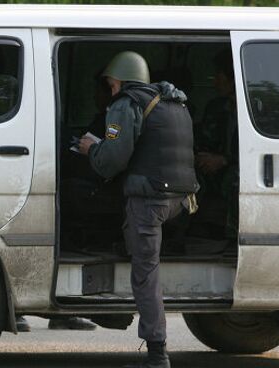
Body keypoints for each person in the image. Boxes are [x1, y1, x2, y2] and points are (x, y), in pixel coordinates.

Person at [78, 51, 199, 368]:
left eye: (111, 85)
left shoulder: (125, 103)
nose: (111, 91)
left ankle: (157, 355)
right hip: (182, 202)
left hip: (151, 203)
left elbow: (111, 161)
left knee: (145, 274)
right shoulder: (174, 101)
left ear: (119, 81)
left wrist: (91, 150)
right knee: (147, 262)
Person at [192, 49, 238, 241]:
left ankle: (232, 239)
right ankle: (186, 233)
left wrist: (225, 160)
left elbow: (257, 148)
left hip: (238, 167)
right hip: (215, 165)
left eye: (219, 76)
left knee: (236, 182)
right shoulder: (216, 107)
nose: (215, 82)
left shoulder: (257, 108)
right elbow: (205, 138)